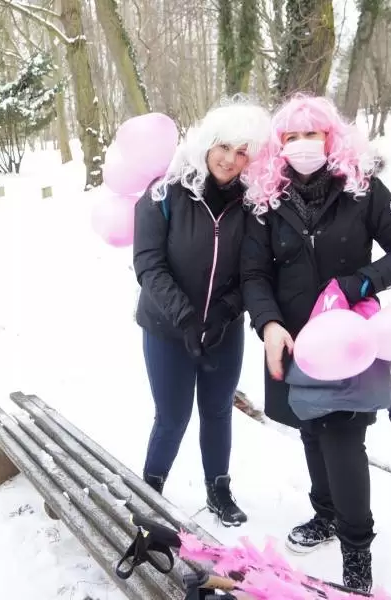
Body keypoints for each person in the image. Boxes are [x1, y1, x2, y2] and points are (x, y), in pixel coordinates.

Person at [240, 94, 391, 592]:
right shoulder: (267, 199)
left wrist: (361, 283)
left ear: (331, 138)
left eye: (312, 134)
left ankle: (356, 552)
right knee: (309, 428)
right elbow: (254, 274)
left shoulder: (362, 189)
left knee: (343, 441)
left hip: (349, 342)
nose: (302, 145)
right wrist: (268, 323)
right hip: (292, 341)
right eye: (292, 137)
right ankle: (324, 514)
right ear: (279, 145)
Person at [133, 99, 270, 527]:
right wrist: (186, 318)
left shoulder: (253, 204)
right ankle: (150, 489)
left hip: (224, 330)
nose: (230, 160)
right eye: (224, 147)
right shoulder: (165, 192)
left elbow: (257, 271)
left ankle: (218, 488)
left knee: (218, 410)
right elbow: (148, 265)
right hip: (167, 328)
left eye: (242, 152)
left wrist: (226, 312)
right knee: (172, 416)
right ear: (206, 143)